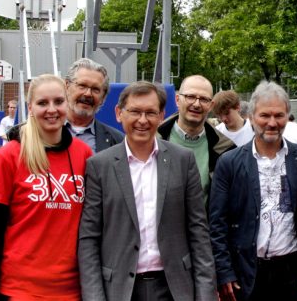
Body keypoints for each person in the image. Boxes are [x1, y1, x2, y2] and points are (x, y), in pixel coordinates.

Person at [78, 81, 216, 301]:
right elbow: (89, 239)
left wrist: (206, 294)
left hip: (174, 288)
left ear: (161, 116)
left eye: (150, 112)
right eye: (134, 111)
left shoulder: (183, 160)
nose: (142, 120)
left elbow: (198, 232)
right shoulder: (99, 166)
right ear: (119, 113)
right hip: (120, 290)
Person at [0, 74, 93, 300]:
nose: (52, 109)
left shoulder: (84, 155)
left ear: (67, 104)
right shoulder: (9, 155)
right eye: (42, 103)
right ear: (30, 108)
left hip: (71, 290)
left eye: (58, 101)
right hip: (19, 290)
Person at [209, 81, 297, 301]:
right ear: (252, 117)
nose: (272, 122)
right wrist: (224, 271)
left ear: (287, 116)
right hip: (247, 272)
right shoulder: (230, 162)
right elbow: (217, 222)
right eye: (265, 115)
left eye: (279, 115)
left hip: (292, 271)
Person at [158, 74, 235, 200]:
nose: (197, 104)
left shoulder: (225, 150)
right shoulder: (154, 140)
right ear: (177, 100)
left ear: (211, 105)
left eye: (204, 99)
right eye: (190, 97)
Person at [64, 58, 125, 153]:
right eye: (82, 86)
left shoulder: (118, 141)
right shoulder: (42, 132)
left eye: (95, 89)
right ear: (67, 86)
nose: (88, 94)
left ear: (103, 96)